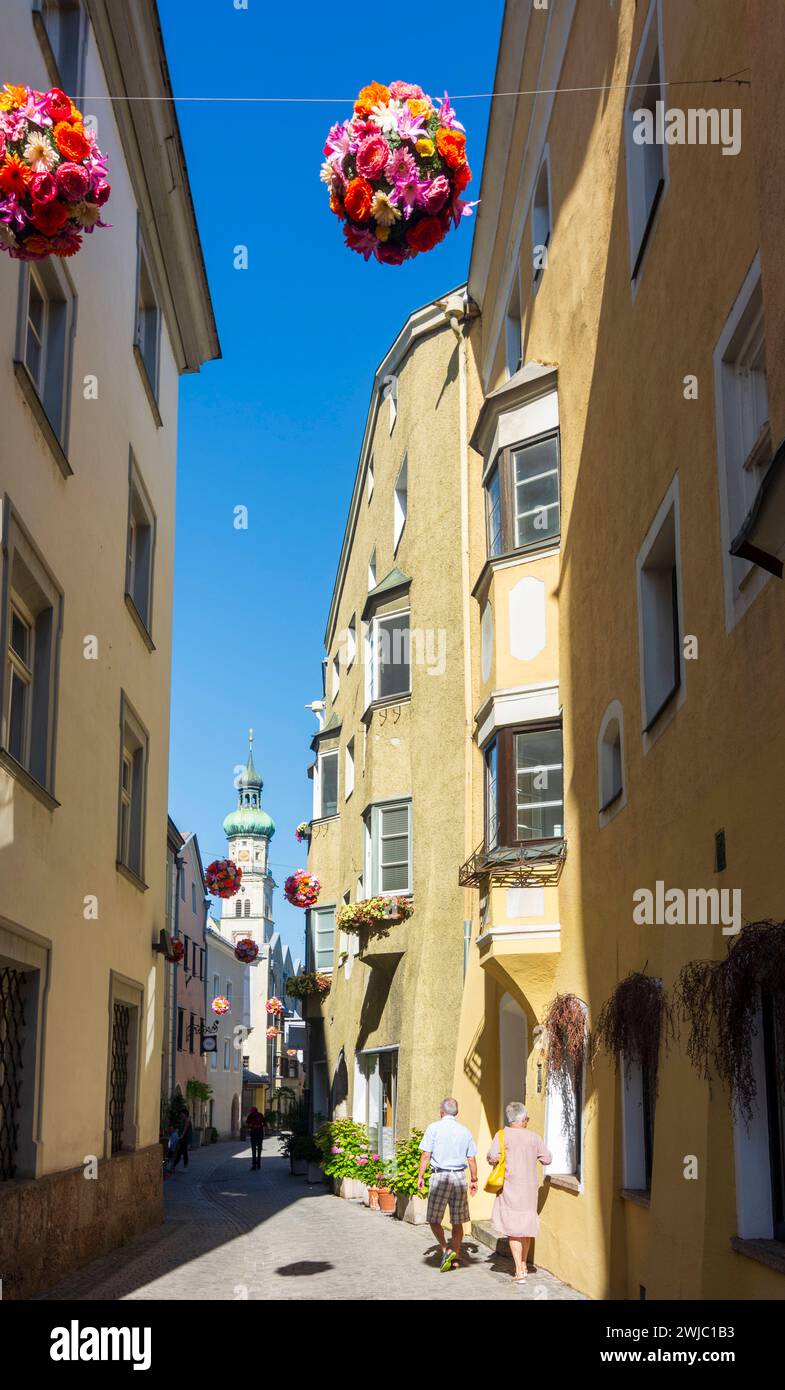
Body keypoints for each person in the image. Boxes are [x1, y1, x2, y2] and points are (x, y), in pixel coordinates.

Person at [487, 1101, 552, 1283]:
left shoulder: (502, 1136)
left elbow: (492, 1157)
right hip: (530, 1189)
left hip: (510, 1187)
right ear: (523, 1119)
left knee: (514, 1231)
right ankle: (523, 1264)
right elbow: (547, 1159)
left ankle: (519, 1270)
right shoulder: (534, 1137)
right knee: (525, 1227)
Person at [417, 1097, 478, 1272]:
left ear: (441, 1112)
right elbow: (471, 1158)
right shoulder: (465, 1131)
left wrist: (420, 1175)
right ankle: (456, 1255)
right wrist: (474, 1179)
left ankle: (445, 1249)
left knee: (434, 1219)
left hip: (440, 1177)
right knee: (458, 1220)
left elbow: (426, 1155)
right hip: (459, 1177)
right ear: (456, 1113)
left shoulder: (433, 1128)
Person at [170, 1106, 193, 1172]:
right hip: (182, 1139)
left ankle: (174, 1166)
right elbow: (180, 1128)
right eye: (180, 1114)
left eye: (182, 1114)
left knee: (181, 1152)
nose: (180, 1115)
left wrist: (181, 1136)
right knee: (182, 1152)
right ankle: (182, 1166)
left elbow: (185, 1129)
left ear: (185, 1114)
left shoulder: (187, 1120)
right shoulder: (183, 1120)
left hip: (184, 1139)